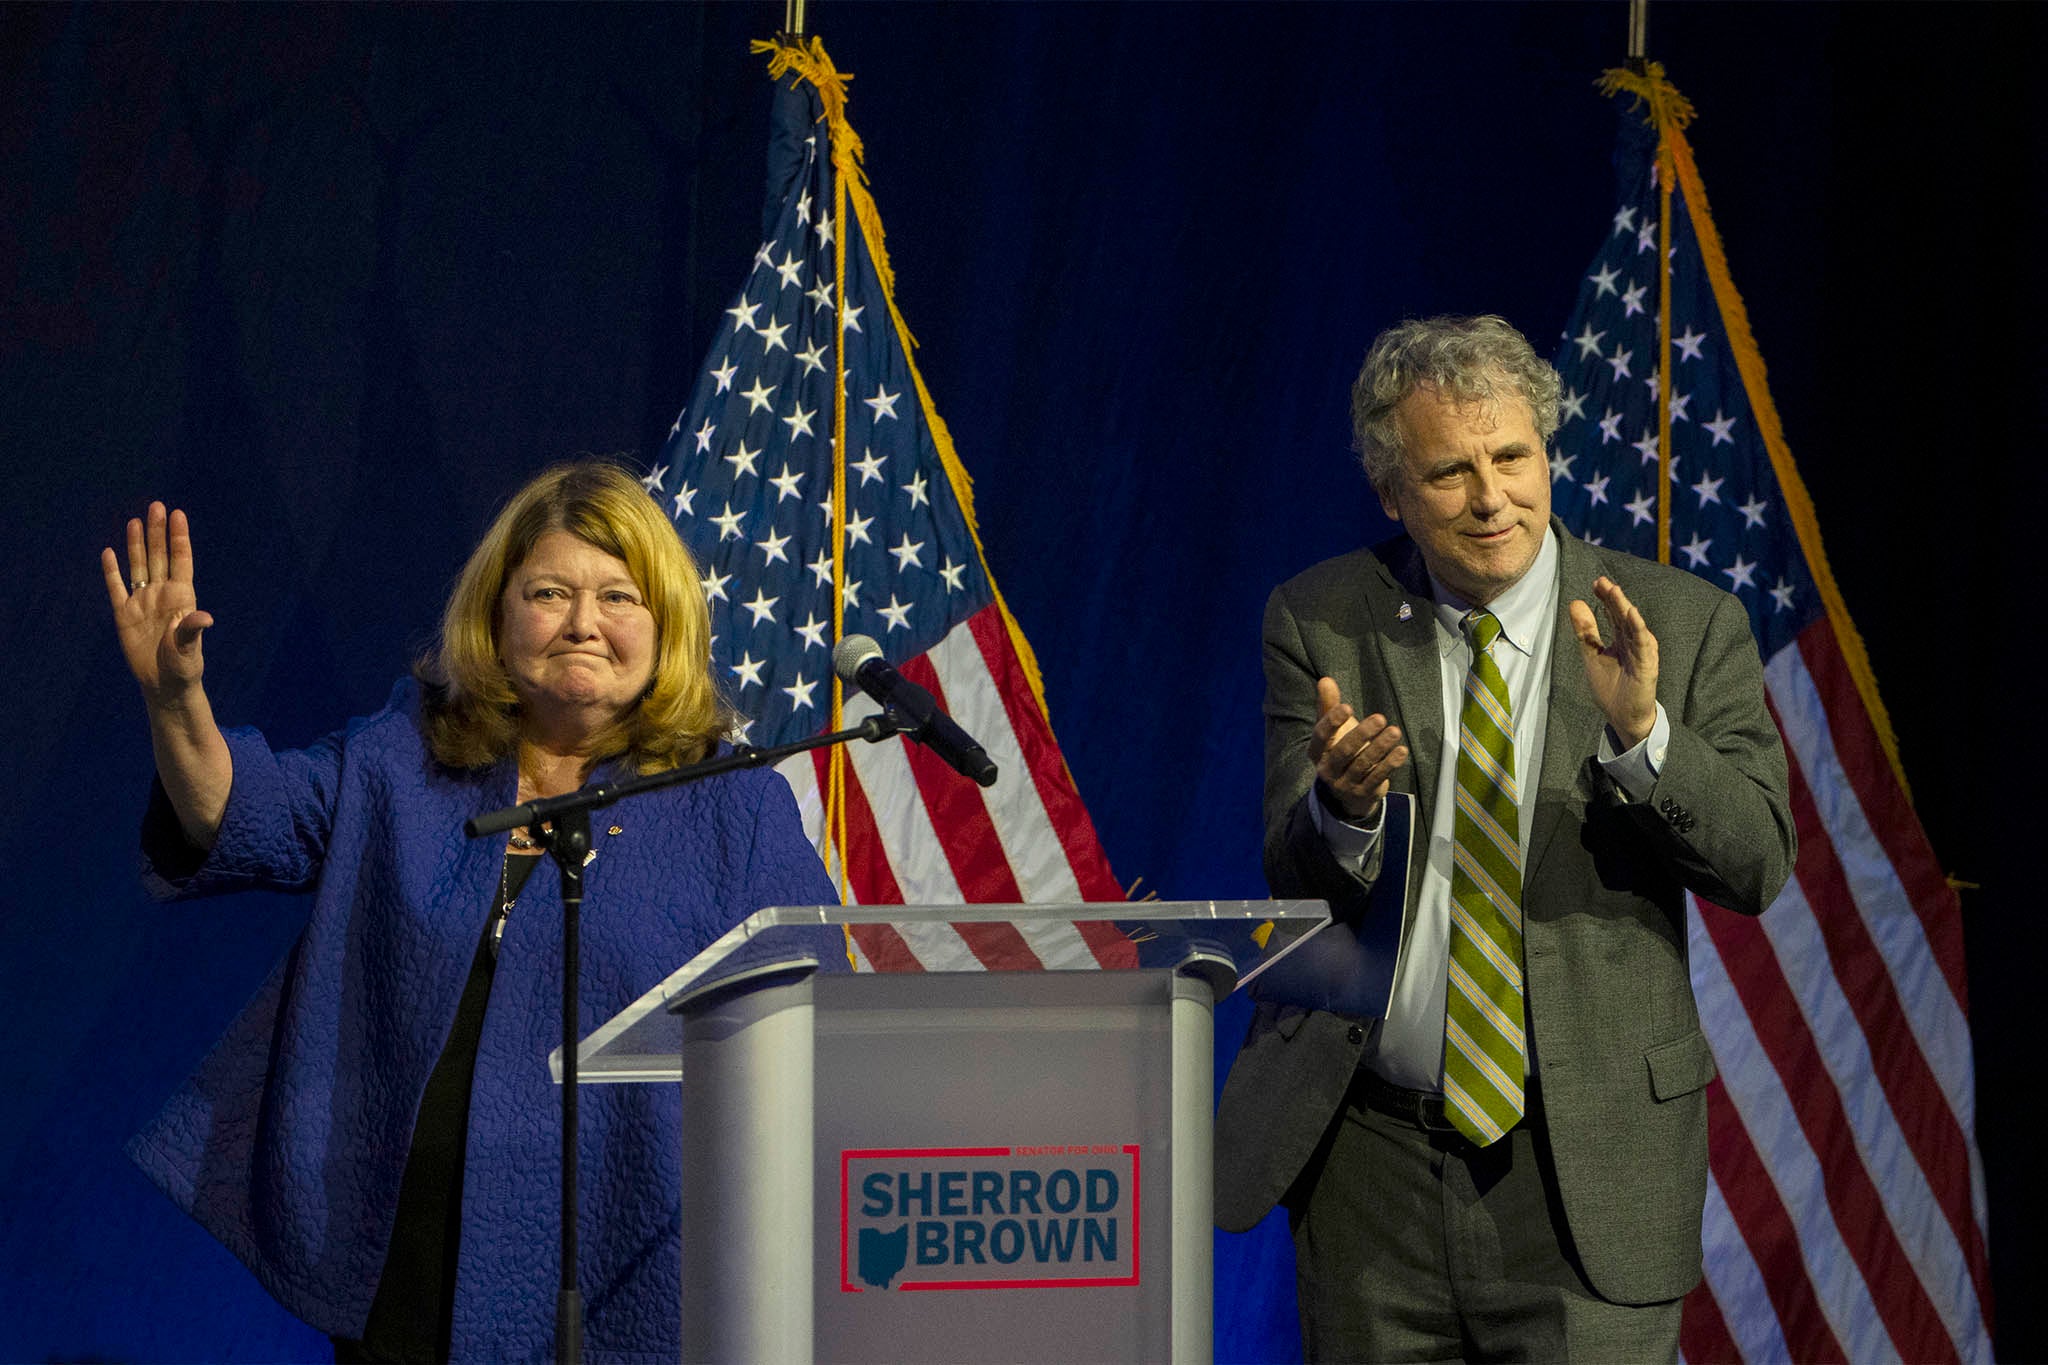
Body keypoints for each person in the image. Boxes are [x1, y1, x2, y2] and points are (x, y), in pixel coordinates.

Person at [103, 460, 842, 1364]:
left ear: (666, 628)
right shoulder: (402, 758)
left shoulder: (733, 805)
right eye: (550, 592)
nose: (583, 622)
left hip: (623, 1272)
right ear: (497, 615)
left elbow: (818, 1024)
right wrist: (176, 701)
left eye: (619, 596)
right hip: (403, 1273)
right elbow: (240, 814)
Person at [1214, 315, 1796, 1361]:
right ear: (1391, 492)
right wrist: (1340, 812)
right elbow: (1288, 870)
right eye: (1449, 472)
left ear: (1545, 453)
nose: (1492, 499)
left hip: (1586, 1171)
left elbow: (1756, 862)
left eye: (1511, 458)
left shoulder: (1680, 620)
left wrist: (1642, 737)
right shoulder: (1321, 617)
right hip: (1369, 1168)